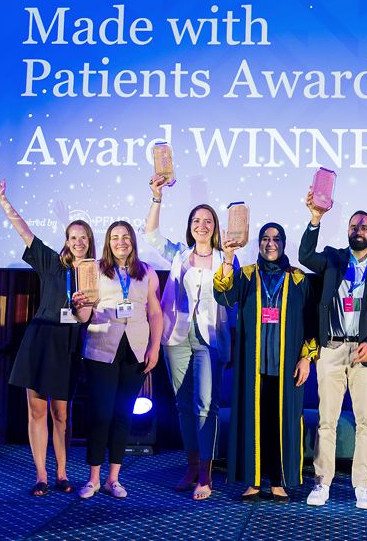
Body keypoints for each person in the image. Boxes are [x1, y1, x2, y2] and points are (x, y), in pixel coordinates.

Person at [0, 172, 91, 497]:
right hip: (39, 340)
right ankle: (42, 475)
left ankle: (62, 473)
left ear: (90, 242)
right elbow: (25, 231)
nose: (78, 242)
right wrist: (3, 200)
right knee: (36, 410)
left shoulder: (94, 273)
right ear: (66, 240)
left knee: (61, 414)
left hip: (67, 345)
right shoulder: (51, 263)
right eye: (73, 237)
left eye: (83, 238)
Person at [299, 192, 367, 510]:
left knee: (366, 422)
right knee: (327, 421)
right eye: (354, 226)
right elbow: (304, 255)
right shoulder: (332, 258)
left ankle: (362, 485)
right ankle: (322, 482)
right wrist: (315, 218)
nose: (358, 230)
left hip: (365, 351)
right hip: (332, 348)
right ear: (348, 231)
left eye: (364, 226)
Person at [144, 175, 237, 501]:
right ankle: (191, 466)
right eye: (196, 221)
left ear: (215, 227)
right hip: (176, 337)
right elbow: (151, 235)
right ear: (190, 227)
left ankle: (206, 474)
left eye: (208, 221)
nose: (202, 225)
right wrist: (157, 197)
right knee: (184, 406)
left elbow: (231, 297)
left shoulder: (226, 259)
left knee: (206, 406)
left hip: (210, 340)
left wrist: (229, 261)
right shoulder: (179, 255)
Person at [214, 222, 316, 503]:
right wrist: (228, 258)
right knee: (254, 422)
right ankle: (254, 480)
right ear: (259, 243)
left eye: (276, 239)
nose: (270, 244)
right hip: (253, 367)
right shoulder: (246, 275)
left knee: (280, 423)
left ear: (283, 243)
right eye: (265, 239)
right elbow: (222, 294)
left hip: (287, 368)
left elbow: (311, 322)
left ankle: (278, 481)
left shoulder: (298, 279)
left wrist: (307, 358)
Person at [72, 221, 161, 499]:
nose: (120, 242)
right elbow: (84, 316)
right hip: (101, 349)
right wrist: (79, 307)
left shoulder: (147, 272)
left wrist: (154, 347)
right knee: (101, 414)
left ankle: (113, 479)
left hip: (135, 350)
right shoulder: (95, 270)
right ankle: (93, 479)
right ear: (108, 242)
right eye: (114, 237)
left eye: (125, 237)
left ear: (132, 241)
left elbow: (155, 313)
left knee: (123, 414)